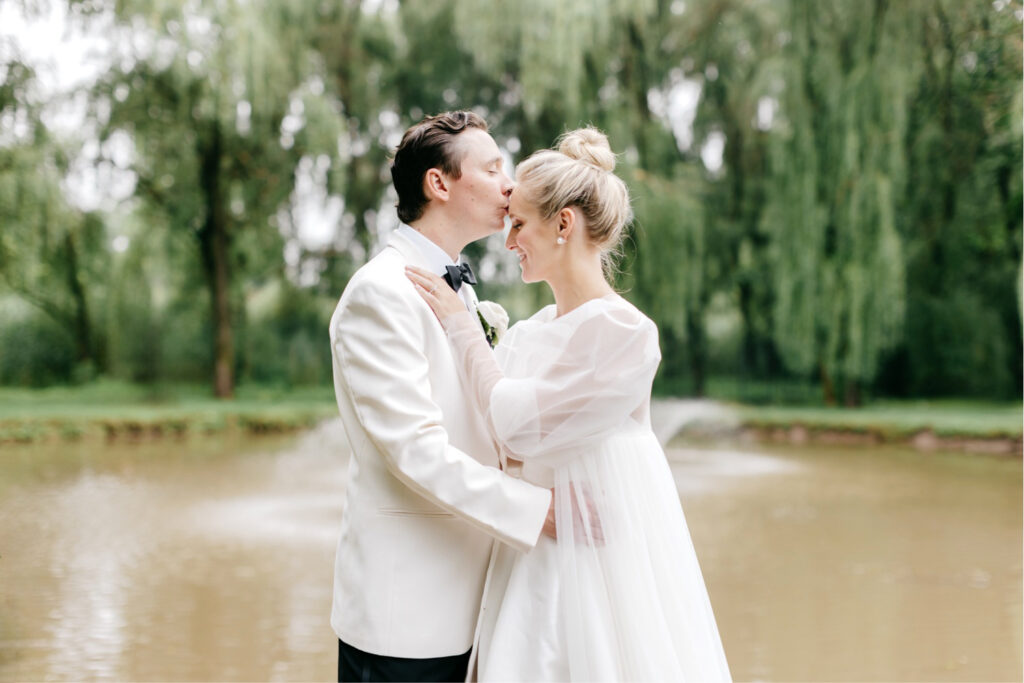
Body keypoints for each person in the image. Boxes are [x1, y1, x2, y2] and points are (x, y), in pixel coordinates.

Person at [406, 127, 732, 681]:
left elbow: (518, 426)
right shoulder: (526, 334)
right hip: (530, 555)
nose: (508, 241)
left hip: (597, 571)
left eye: (519, 224)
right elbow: (494, 441)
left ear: (563, 224)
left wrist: (463, 329)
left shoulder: (625, 333)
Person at [328, 111, 554, 682]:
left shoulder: (457, 287)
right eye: (494, 167)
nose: (511, 184)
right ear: (439, 183)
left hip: (476, 606)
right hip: (407, 617)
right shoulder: (380, 293)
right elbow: (416, 452)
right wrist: (539, 511)